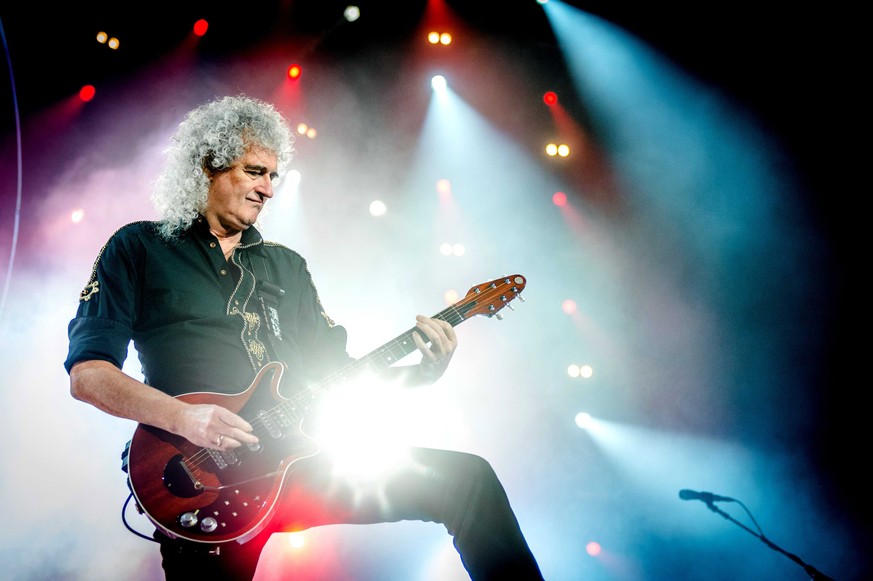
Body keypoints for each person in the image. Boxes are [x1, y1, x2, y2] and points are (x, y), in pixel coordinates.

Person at [64, 94, 544, 580]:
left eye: (274, 177)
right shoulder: (140, 247)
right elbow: (88, 375)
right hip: (200, 476)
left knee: (467, 481)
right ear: (210, 165)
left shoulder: (286, 267)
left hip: (301, 459)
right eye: (255, 172)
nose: (268, 190)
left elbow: (341, 376)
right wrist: (185, 417)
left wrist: (422, 373)